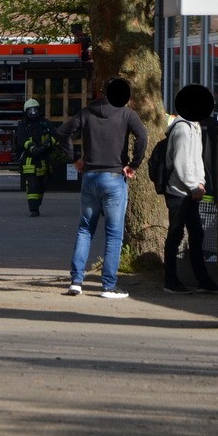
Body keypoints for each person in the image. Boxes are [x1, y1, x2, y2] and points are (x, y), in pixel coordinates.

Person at [57, 77, 148, 299]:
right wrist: (133, 164)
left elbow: (62, 132)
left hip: (90, 177)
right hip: (114, 177)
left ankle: (76, 281)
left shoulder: (87, 112)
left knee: (85, 229)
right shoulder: (127, 114)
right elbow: (142, 137)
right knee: (114, 234)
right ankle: (108, 286)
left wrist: (74, 159)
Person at [161, 85, 218, 295]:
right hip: (178, 192)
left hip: (190, 191)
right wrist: (194, 185)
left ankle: (202, 280)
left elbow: (196, 160)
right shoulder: (182, 128)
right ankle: (170, 280)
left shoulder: (194, 127)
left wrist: (199, 184)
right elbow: (181, 162)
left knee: (196, 234)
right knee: (176, 234)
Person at [14, 98, 58, 217]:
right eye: (30, 111)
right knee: (32, 184)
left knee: (42, 185)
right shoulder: (23, 124)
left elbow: (55, 135)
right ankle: (33, 209)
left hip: (43, 159)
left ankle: (37, 203)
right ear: (26, 112)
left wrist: (48, 144)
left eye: (35, 110)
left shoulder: (45, 123)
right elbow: (21, 140)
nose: (33, 113)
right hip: (29, 159)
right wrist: (32, 148)